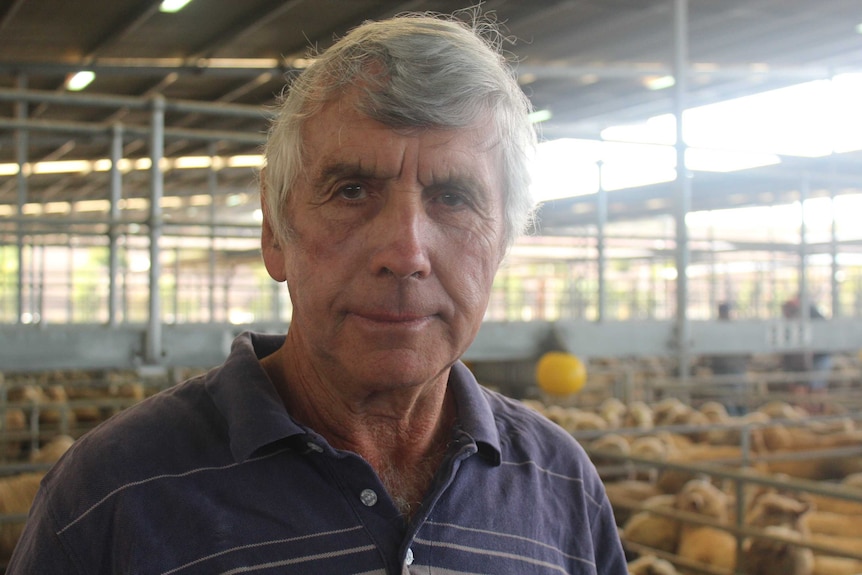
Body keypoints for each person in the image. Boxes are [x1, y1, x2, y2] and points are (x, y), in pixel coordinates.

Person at [8, 11, 627, 575]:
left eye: (454, 198)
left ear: (500, 247)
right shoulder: (109, 495)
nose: (405, 254)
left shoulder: (561, 484)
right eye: (352, 191)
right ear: (275, 233)